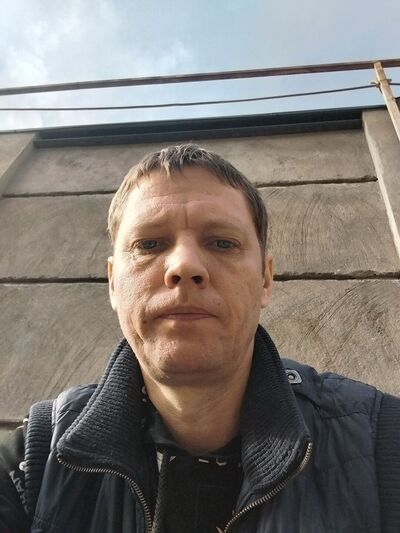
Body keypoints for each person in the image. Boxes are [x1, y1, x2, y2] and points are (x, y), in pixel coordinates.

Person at [0, 144, 399, 533]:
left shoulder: (383, 440)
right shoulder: (33, 462)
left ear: (265, 279)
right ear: (113, 284)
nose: (185, 265)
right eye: (149, 244)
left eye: (222, 243)